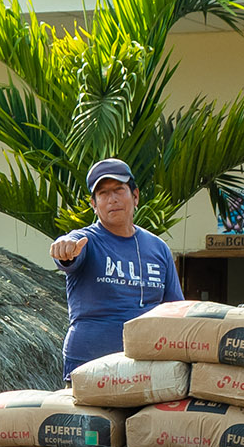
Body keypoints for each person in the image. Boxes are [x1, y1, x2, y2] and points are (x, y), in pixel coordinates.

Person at [49, 158, 180, 376]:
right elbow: (69, 252)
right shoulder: (86, 241)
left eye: (119, 190)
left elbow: (175, 309)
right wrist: (64, 248)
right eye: (103, 193)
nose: (112, 199)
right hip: (89, 365)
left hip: (148, 365)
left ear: (135, 196)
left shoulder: (159, 248)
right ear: (94, 204)